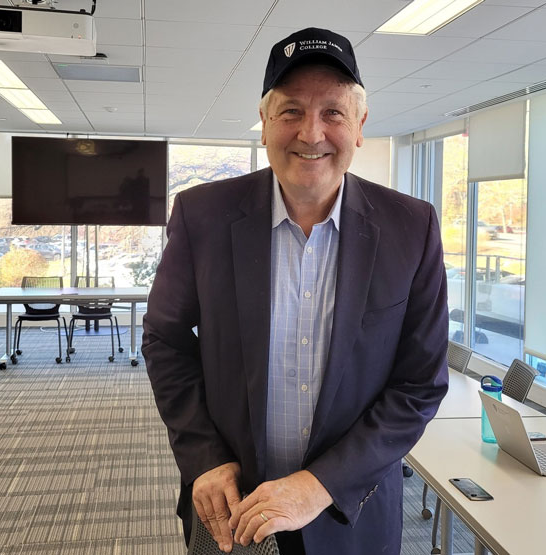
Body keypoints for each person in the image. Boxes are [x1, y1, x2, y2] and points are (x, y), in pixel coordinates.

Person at [143, 27, 449, 555]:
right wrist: (203, 455)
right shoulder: (203, 215)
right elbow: (165, 340)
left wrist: (321, 483)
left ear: (360, 126)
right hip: (231, 507)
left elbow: (419, 384)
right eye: (290, 111)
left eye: (333, 112)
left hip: (350, 513)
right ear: (264, 123)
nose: (311, 133)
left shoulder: (411, 227)